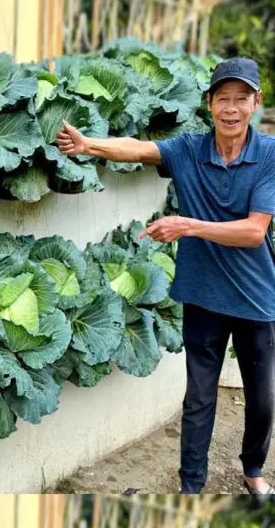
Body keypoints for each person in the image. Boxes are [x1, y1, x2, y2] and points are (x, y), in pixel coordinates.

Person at [55, 58, 275, 498]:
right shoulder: (189, 149)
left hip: (257, 298)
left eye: (241, 99)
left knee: (263, 399)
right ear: (210, 104)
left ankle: (252, 469)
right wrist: (89, 146)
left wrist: (187, 225)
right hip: (203, 295)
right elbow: (137, 148)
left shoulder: (269, 155)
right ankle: (191, 485)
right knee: (198, 398)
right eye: (223, 99)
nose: (231, 109)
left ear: (256, 103)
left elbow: (254, 231)